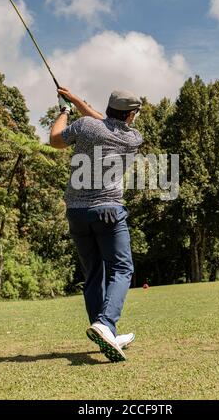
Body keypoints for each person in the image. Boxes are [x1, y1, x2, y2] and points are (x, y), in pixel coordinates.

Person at [50, 87, 143, 362]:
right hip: (108, 212)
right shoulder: (133, 137)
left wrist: (66, 110)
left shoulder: (87, 126)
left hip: (77, 213)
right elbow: (105, 123)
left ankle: (104, 331)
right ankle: (106, 324)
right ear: (129, 115)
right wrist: (76, 102)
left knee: (93, 274)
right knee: (122, 268)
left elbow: (55, 139)